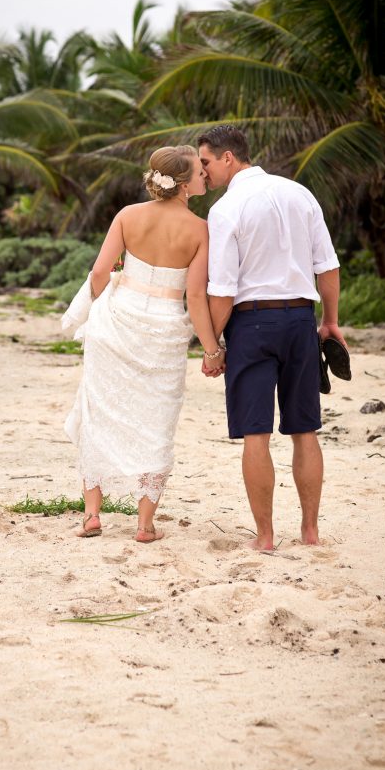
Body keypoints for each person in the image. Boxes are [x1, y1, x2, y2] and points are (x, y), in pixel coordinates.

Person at [64, 145, 224, 543]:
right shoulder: (200, 230)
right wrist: (211, 350)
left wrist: (98, 310)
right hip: (165, 329)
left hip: (118, 322)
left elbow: (101, 271)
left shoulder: (128, 216)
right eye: (199, 172)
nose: (205, 175)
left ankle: (91, 516)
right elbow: (196, 297)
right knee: (157, 421)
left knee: (100, 411)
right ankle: (144, 524)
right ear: (184, 184)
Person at [198, 125, 346, 550]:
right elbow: (328, 268)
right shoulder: (299, 193)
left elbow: (222, 290)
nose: (203, 172)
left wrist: (213, 347)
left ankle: (265, 537)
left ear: (229, 158)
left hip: (252, 323)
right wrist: (330, 321)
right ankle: (310, 532)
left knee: (256, 434)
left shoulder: (227, 209)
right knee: (306, 430)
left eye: (206, 162)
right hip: (301, 320)